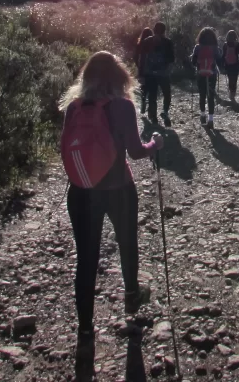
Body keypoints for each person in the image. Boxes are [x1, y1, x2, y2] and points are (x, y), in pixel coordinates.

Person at [59, 51, 165, 382]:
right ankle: (131, 297)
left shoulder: (74, 107)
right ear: (120, 76)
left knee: (85, 260)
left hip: (80, 192)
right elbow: (135, 151)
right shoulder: (122, 106)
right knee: (127, 244)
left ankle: (86, 332)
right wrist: (155, 144)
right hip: (118, 187)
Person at [138, 22, 175, 122]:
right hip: (163, 73)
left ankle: (153, 116)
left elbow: (142, 59)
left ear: (154, 30)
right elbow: (172, 59)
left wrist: (141, 74)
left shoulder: (146, 41)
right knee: (166, 94)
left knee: (152, 95)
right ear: (164, 31)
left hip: (150, 73)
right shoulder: (168, 42)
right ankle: (165, 111)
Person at [191, 26, 221, 126]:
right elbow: (219, 60)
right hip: (212, 74)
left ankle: (203, 115)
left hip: (200, 74)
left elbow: (193, 62)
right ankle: (211, 119)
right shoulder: (215, 48)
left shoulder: (197, 47)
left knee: (202, 95)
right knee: (211, 96)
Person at [135, 27, 153, 112]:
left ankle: (143, 100)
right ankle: (150, 104)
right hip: (152, 67)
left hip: (142, 67)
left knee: (143, 85)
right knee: (151, 86)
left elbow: (135, 56)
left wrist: (138, 65)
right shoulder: (153, 43)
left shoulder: (140, 44)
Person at [221, 29, 239, 101]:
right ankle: (233, 94)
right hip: (235, 64)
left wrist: (222, 65)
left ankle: (231, 93)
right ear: (235, 36)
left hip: (227, 65)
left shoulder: (225, 44)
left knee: (230, 78)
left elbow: (223, 55)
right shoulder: (237, 44)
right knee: (234, 79)